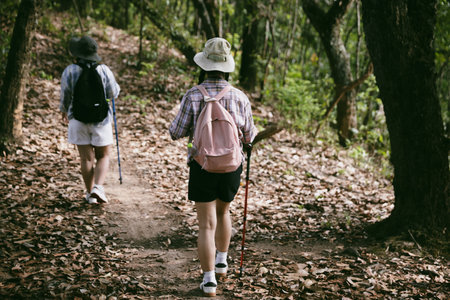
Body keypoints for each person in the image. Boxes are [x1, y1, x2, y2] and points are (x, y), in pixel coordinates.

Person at [169, 37, 257, 297]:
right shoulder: (240, 97)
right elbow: (250, 136)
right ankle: (222, 260)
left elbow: (176, 131)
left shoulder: (194, 95)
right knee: (224, 212)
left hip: (202, 165)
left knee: (205, 224)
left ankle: (208, 281)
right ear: (227, 66)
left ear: (204, 64)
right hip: (231, 166)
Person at [60, 36, 120, 204]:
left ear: (77, 54)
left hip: (77, 119)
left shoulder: (70, 70)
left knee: (86, 158)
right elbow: (113, 93)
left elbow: (65, 94)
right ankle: (98, 188)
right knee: (103, 155)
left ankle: (89, 194)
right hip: (101, 119)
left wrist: (64, 110)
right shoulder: (104, 70)